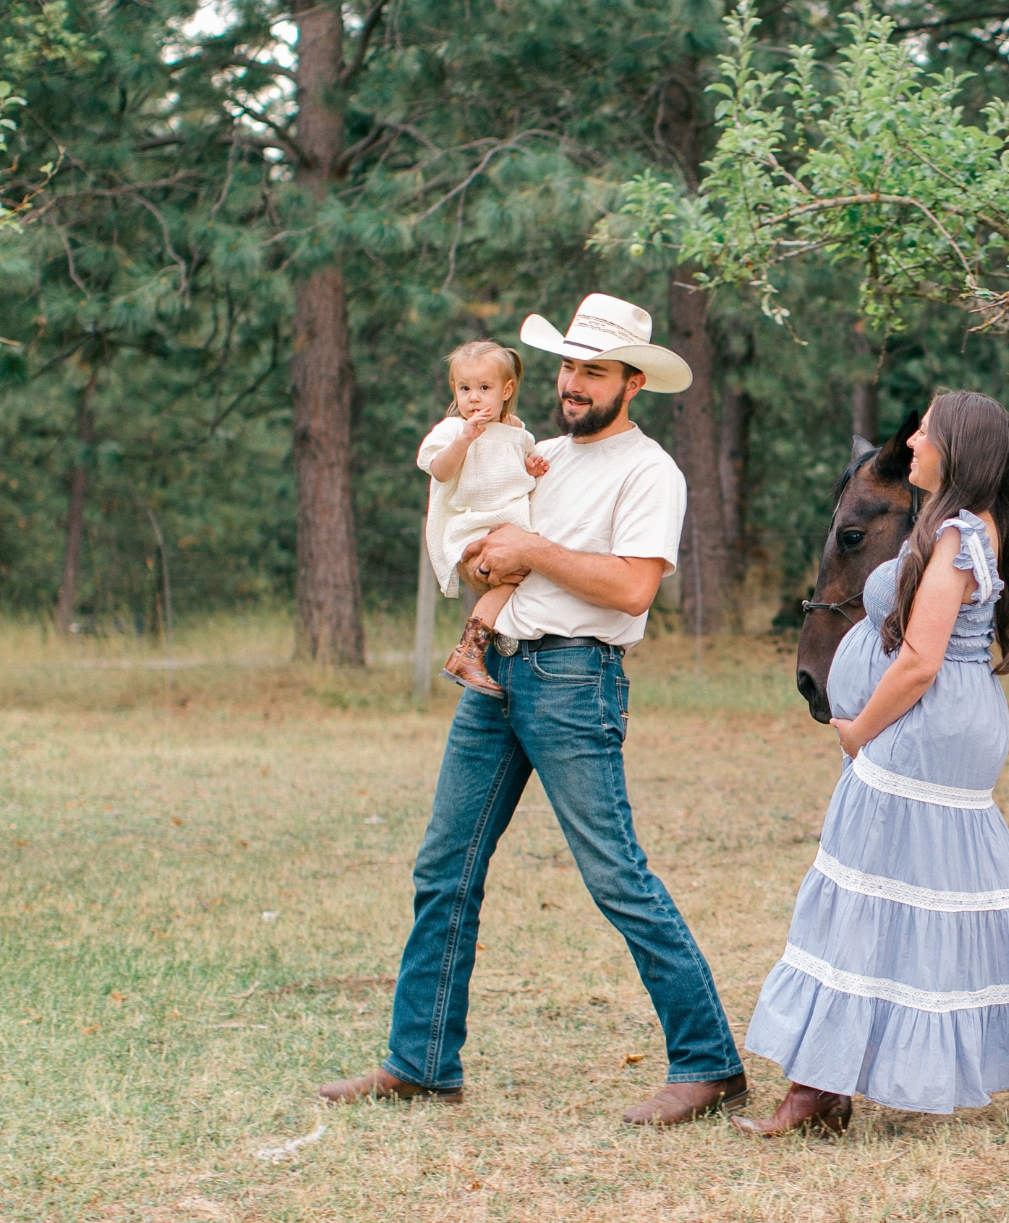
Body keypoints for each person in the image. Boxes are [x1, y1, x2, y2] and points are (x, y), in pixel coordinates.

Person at [319, 293, 752, 1127]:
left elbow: (631, 585)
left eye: (594, 370)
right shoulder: (532, 452)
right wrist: (487, 562)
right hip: (497, 676)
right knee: (444, 868)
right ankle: (421, 1062)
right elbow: (481, 539)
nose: (573, 383)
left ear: (634, 383)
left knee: (616, 876)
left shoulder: (650, 471)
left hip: (574, 680)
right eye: (567, 366)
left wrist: (533, 553)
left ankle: (709, 1064)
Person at [736, 390, 1009, 1136]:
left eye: (925, 431)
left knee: (862, 888)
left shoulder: (957, 537)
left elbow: (920, 661)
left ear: (956, 449)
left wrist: (860, 733)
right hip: (944, 727)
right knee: (974, 898)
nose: (913, 441)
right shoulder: (961, 528)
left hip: (922, 731)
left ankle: (815, 1090)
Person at [418, 340, 549, 698]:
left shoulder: (519, 433)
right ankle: (468, 651)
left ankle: (497, 650)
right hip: (472, 526)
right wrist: (464, 440)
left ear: (507, 390)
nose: (473, 398)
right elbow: (440, 472)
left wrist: (531, 467)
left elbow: (512, 472)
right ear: (453, 390)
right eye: (465, 388)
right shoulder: (451, 430)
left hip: (510, 525)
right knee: (509, 580)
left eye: (484, 388)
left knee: (525, 576)